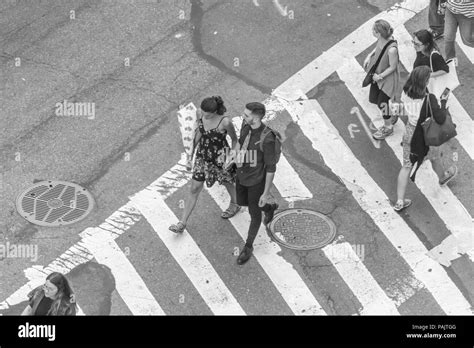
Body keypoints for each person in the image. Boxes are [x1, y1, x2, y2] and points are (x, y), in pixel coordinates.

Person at [169, 96, 241, 233]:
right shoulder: (199, 113)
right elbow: (199, 133)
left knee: (226, 182)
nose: (204, 116)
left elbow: (235, 140)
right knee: (194, 188)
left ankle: (235, 203)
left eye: (207, 114)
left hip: (220, 158)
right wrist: (190, 154)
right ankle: (182, 223)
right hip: (202, 157)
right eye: (203, 112)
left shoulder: (224, 122)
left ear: (215, 112)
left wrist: (232, 157)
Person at [394, 66, 456, 212]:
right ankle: (443, 177)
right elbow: (440, 119)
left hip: (410, 133)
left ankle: (399, 201)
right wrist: (443, 102)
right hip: (425, 135)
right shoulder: (430, 98)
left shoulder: (406, 91)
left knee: (406, 166)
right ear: (425, 81)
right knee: (434, 157)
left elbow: (403, 108)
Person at [411, 29, 458, 183]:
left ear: (426, 44)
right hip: (428, 117)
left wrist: (428, 75)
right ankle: (442, 176)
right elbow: (438, 116)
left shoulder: (433, 56)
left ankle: (441, 175)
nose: (414, 45)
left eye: (417, 43)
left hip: (431, 95)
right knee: (433, 153)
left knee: (432, 153)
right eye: (413, 42)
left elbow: (445, 69)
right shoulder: (421, 54)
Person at [234, 102, 279, 265]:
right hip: (242, 175)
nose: (243, 116)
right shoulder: (246, 125)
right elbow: (240, 142)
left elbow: (271, 168)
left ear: (257, 117)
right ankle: (269, 207)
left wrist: (265, 193)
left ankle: (248, 246)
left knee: (254, 214)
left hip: (256, 182)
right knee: (245, 203)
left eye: (246, 115)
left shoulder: (267, 138)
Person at [363, 19, 401, 140]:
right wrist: (370, 55)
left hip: (387, 79)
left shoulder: (392, 49)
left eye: (373, 30)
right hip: (377, 74)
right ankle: (392, 112)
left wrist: (379, 76)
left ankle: (388, 127)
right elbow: (379, 48)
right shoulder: (382, 38)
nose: (372, 31)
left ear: (379, 33)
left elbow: (393, 67)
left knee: (381, 103)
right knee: (373, 99)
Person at [444, 0, 474, 65]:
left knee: (467, 39)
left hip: (467, 15)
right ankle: (450, 59)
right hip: (450, 9)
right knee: (448, 36)